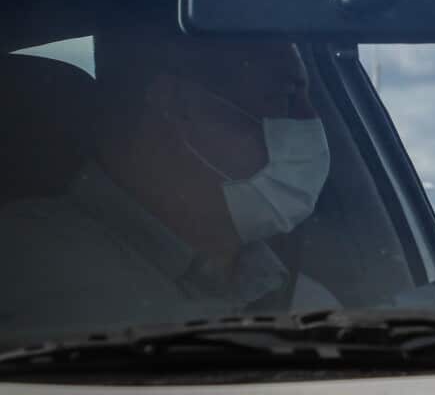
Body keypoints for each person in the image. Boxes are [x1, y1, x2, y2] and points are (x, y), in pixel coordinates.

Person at [0, 30, 339, 331]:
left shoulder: (300, 297)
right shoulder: (29, 265)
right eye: (282, 98)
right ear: (177, 103)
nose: (311, 122)